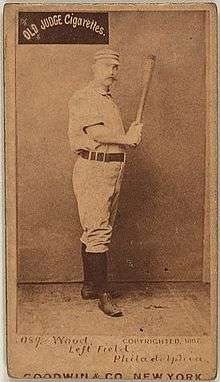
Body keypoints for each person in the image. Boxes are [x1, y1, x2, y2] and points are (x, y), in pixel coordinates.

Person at [68, 48, 143, 317]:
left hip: (111, 169)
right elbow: (98, 133)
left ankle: (90, 285)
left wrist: (129, 136)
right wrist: (128, 138)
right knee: (97, 230)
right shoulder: (84, 97)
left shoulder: (109, 101)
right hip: (93, 168)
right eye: (108, 66)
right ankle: (103, 295)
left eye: (116, 67)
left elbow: (114, 138)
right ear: (95, 67)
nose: (113, 72)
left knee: (97, 228)